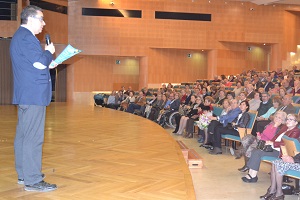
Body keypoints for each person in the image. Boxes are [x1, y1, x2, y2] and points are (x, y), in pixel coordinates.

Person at [10, 5, 57, 192]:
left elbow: (34, 64)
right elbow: (38, 63)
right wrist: (48, 52)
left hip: (27, 95)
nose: (44, 23)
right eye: (41, 19)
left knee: (23, 136)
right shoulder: (27, 38)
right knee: (33, 138)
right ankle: (33, 180)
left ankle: (24, 173)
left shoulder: (21, 37)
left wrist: (48, 62)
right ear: (30, 19)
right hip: (33, 95)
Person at [242, 114, 300, 183]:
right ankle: (251, 173)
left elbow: (287, 144)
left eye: (291, 119)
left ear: (296, 122)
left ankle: (253, 176)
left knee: (258, 152)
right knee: (255, 150)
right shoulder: (285, 127)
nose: (288, 121)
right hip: (275, 147)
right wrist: (270, 142)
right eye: (287, 119)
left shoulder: (296, 131)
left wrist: (272, 143)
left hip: (282, 152)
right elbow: (276, 137)